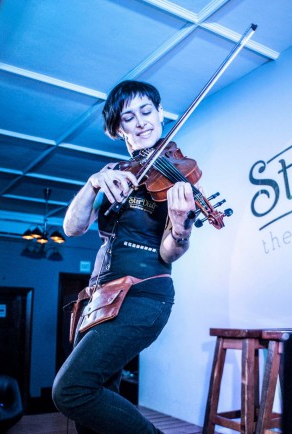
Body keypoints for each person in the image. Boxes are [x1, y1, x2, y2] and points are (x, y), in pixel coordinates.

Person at [52, 80, 196, 434]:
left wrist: (181, 227)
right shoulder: (115, 173)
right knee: (93, 416)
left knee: (71, 390)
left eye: (147, 112)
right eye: (129, 117)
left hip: (143, 294)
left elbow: (170, 252)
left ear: (160, 114)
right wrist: (92, 183)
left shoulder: (177, 175)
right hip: (101, 298)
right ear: (119, 129)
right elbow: (72, 227)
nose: (141, 122)